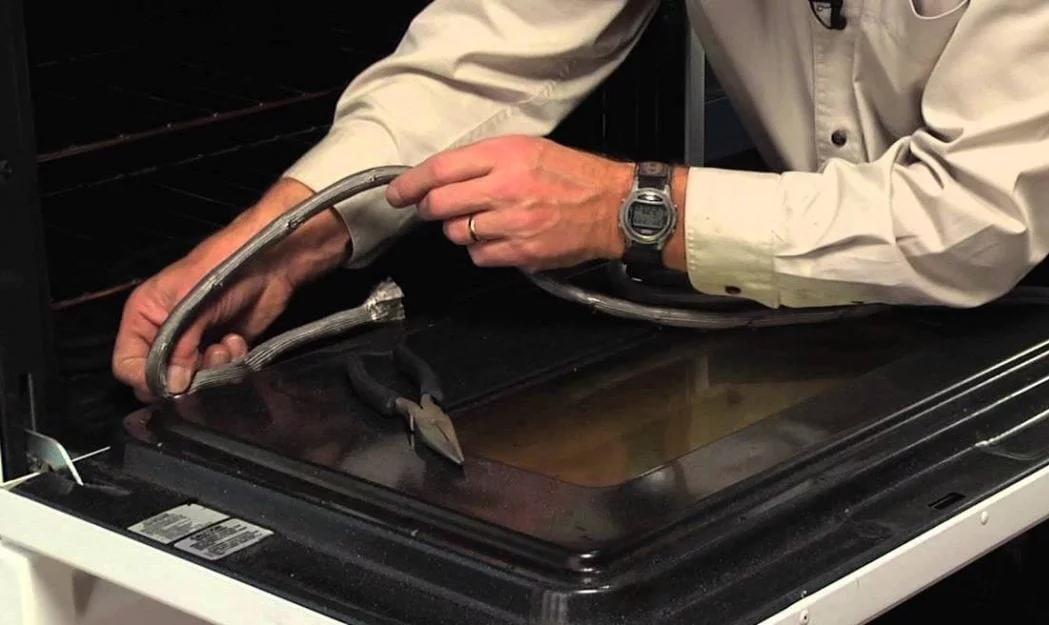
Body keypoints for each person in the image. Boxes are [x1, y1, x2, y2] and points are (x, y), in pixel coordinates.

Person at [112, 0, 1049, 401]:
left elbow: (974, 212)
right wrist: (287, 235)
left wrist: (633, 209)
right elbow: (497, 48)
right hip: (837, 318)